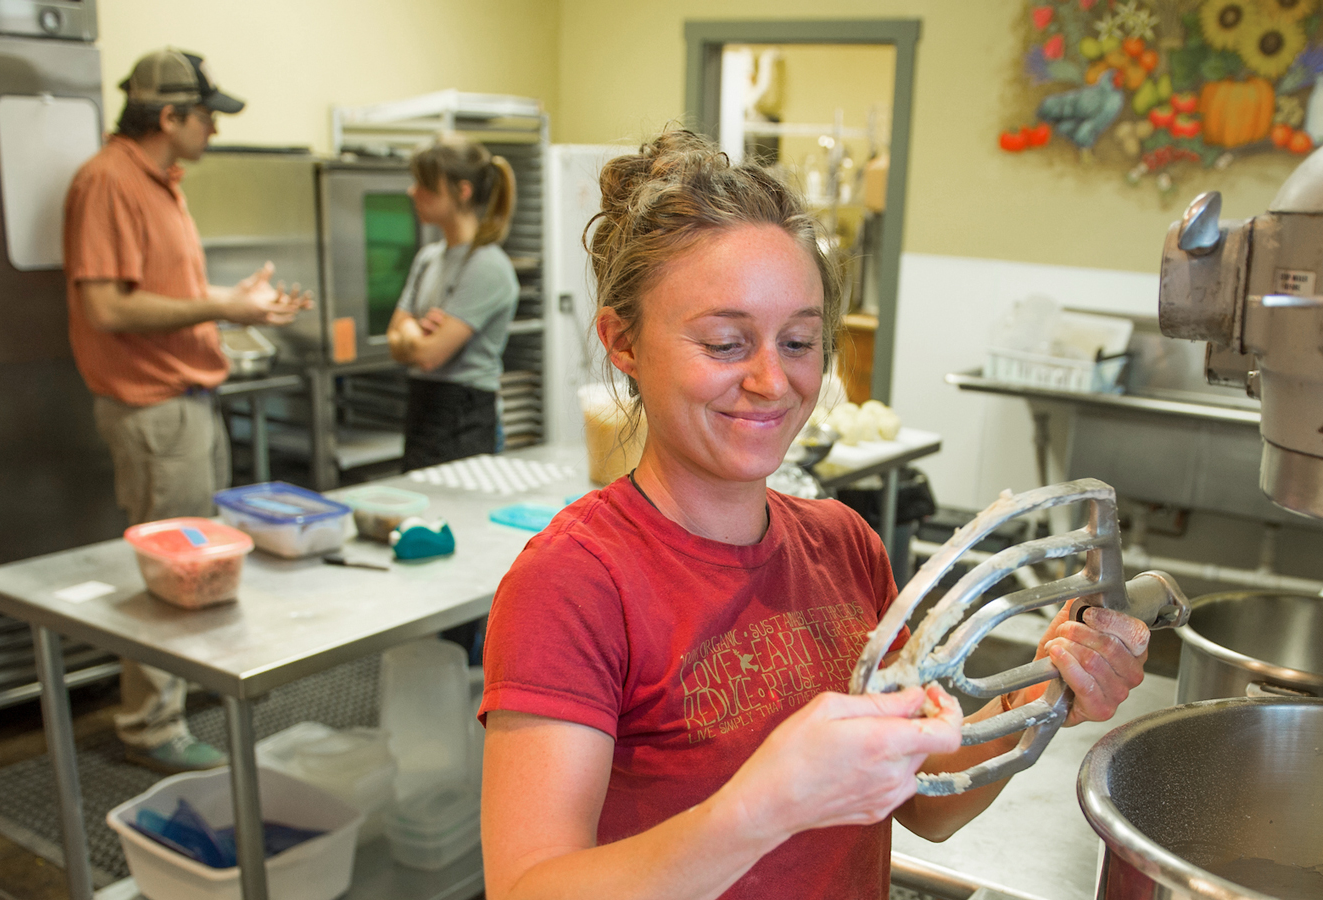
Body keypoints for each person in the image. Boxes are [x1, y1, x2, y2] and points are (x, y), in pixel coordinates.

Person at [476, 130, 1150, 899]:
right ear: (623, 341)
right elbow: (529, 887)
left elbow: (924, 801)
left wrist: (1041, 694)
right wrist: (763, 807)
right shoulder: (575, 583)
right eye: (727, 343)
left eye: (799, 340)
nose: (773, 380)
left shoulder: (844, 546)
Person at [63, 48, 310, 774]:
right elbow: (106, 305)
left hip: (186, 401)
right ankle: (149, 726)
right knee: (170, 576)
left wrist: (241, 309)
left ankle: (179, 697)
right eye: (207, 117)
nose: (214, 130)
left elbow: (161, 300)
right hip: (154, 412)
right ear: (168, 115)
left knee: (197, 568)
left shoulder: (160, 184)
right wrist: (223, 305)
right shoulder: (108, 182)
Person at [385, 133, 520, 471]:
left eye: (425, 185)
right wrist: (416, 332)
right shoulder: (428, 258)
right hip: (422, 412)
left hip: (464, 419)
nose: (412, 192)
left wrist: (410, 336)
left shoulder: (487, 266)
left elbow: (429, 357)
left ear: (463, 191)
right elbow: (393, 339)